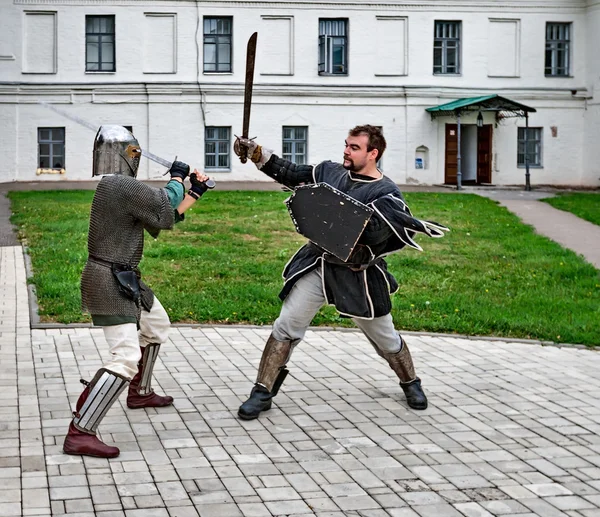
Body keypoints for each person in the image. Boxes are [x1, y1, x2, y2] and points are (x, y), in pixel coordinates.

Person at [233, 125, 448, 420]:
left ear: (373, 154)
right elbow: (293, 173)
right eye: (346, 145)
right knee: (286, 326)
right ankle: (262, 391)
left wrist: (354, 217)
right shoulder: (331, 173)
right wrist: (257, 154)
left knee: (385, 338)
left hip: (357, 274)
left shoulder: (385, 194)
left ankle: (410, 382)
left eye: (354, 148)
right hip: (319, 264)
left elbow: (375, 236)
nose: (346, 151)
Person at [63, 125, 212, 458]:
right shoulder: (117, 185)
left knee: (156, 326)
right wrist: (177, 177)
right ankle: (80, 432)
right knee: (126, 357)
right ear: (128, 155)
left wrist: (196, 191)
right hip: (108, 281)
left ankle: (140, 393)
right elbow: (162, 202)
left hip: (126, 278)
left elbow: (164, 217)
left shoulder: (120, 189)